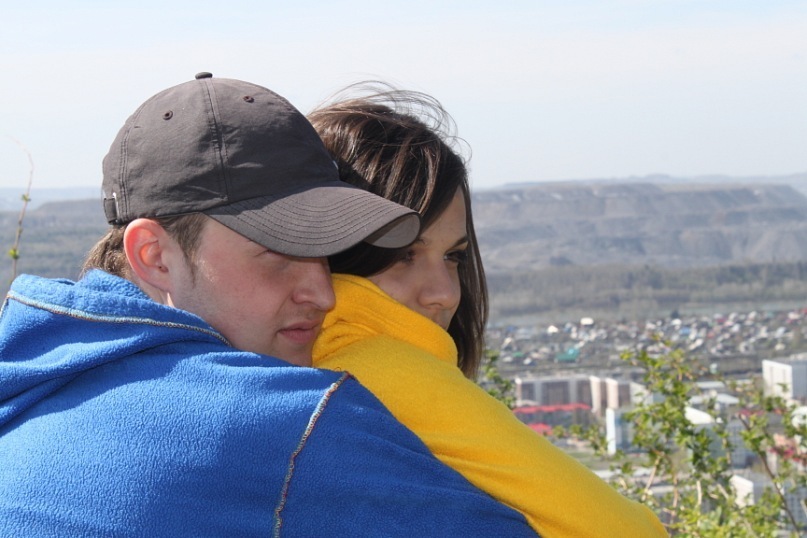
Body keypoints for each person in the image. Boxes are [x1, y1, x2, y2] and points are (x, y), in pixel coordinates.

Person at [0, 73, 538, 536]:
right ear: (154, 256)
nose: (323, 294)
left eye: (325, 254)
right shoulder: (293, 424)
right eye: (278, 255)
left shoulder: (27, 381)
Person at [308, 84, 669, 538]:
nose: (444, 293)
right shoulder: (381, 368)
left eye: (454, 256)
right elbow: (622, 530)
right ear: (335, 251)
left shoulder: (290, 369)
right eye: (404, 255)